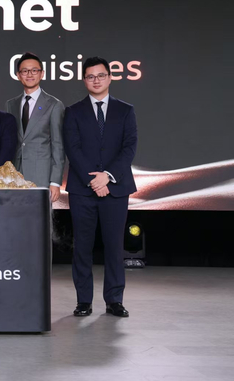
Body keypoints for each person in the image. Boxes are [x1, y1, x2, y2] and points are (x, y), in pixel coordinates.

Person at [63, 56, 138, 318]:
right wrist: (94, 180)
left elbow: (129, 147)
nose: (96, 80)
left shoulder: (125, 110)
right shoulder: (73, 111)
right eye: (90, 76)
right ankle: (84, 301)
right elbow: (72, 149)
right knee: (82, 247)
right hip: (83, 190)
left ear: (110, 77)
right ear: (85, 80)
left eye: (101, 75)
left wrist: (107, 176)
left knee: (114, 246)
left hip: (116, 189)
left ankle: (114, 300)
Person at [6, 52, 65, 202]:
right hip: (15, 176)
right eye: (25, 71)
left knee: (38, 216)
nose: (29, 74)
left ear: (42, 74)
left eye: (34, 70)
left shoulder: (54, 105)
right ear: (18, 75)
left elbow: (58, 145)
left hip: (41, 177)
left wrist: (55, 181)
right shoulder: (11, 104)